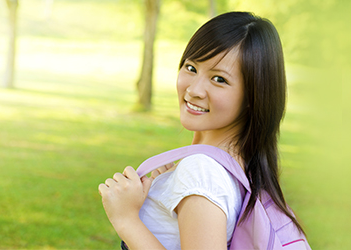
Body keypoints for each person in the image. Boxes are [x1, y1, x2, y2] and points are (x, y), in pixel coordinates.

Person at [98, 11, 305, 249]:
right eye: (191, 67)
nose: (194, 89)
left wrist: (126, 220)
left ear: (252, 96)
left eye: (219, 79)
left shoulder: (201, 171)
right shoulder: (238, 168)